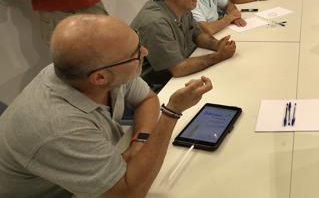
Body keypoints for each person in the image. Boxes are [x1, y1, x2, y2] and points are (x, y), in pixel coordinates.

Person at [0, 14, 213, 198]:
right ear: (99, 78)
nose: (145, 52)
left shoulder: (100, 70)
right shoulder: (58, 126)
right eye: (136, 53)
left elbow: (147, 99)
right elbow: (129, 193)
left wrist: (140, 141)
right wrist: (172, 112)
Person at [131, 0, 236, 87]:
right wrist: (218, 56)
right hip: (158, 88)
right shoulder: (155, 22)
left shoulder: (181, 6)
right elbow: (178, 68)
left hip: (175, 79)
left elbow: (197, 34)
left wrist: (217, 45)